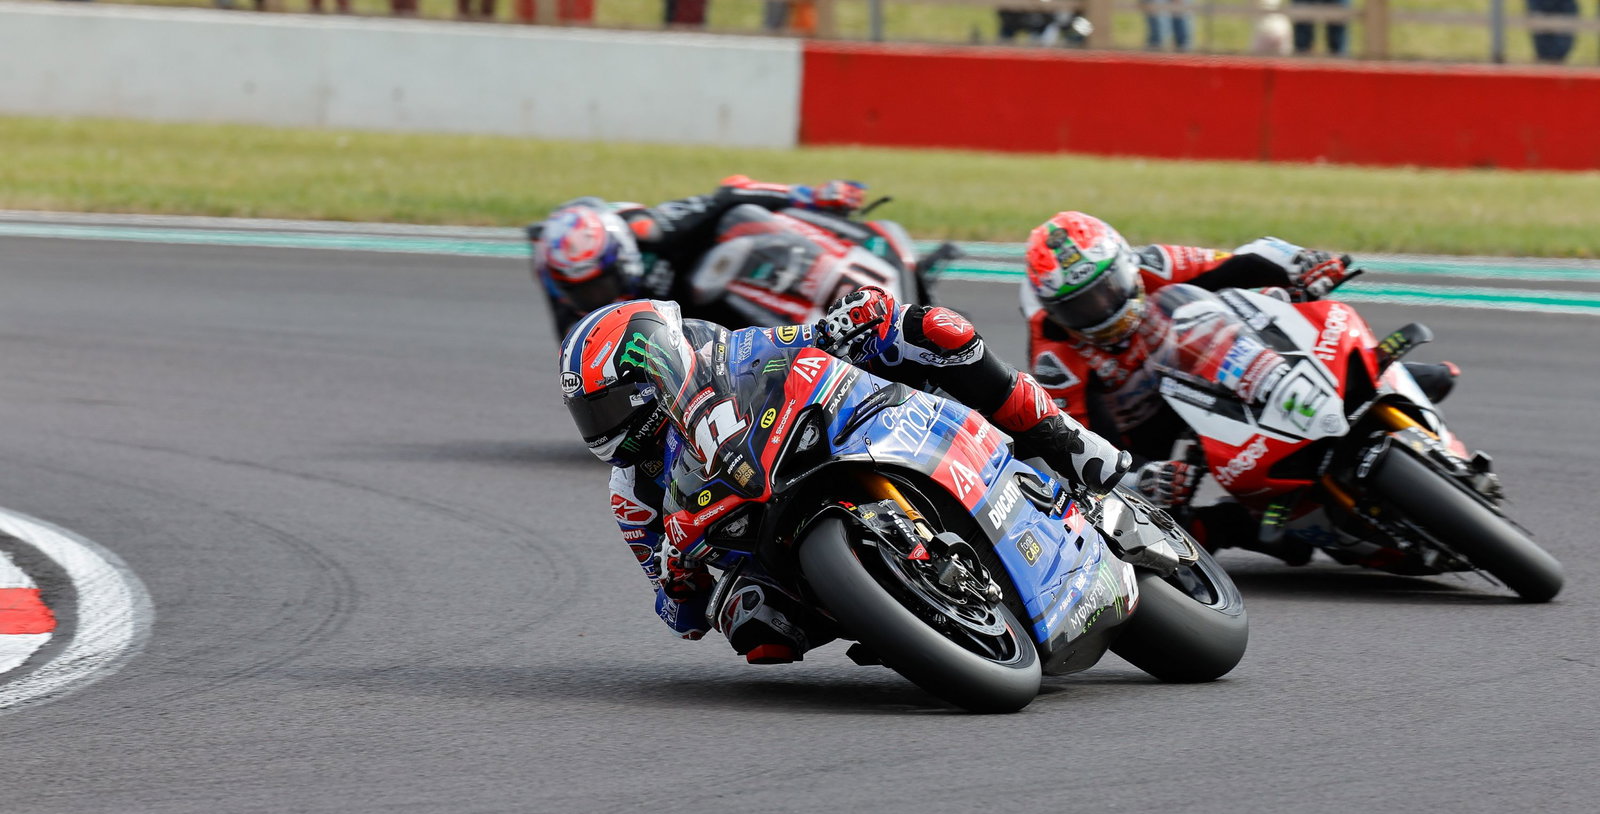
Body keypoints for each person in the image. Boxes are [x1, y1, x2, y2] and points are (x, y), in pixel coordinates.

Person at [559, 289, 1130, 663]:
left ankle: (1063, 436)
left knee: (934, 328)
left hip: (823, 442)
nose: (603, 429)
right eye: (590, 416)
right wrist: (674, 577)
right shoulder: (631, 492)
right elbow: (678, 617)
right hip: (761, 541)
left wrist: (845, 323)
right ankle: (898, 612)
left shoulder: (726, 353)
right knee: (755, 626)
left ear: (654, 372)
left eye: (608, 408)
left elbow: (802, 342)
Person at [1018, 211, 1458, 557]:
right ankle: (1235, 525)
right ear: (1055, 311)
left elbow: (1239, 263)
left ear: (1126, 266)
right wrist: (1136, 478)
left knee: (1264, 306)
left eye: (1108, 289)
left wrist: (1303, 264)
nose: (1102, 309)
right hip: (1140, 430)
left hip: (1202, 363)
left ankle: (1371, 380)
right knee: (1135, 532)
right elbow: (1069, 441)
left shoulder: (1155, 264)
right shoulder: (1054, 354)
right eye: (1081, 306)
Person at [533, 176, 867, 339]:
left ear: (624, 259)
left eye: (602, 285)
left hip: (722, 279)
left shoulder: (651, 230)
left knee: (744, 222)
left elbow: (731, 193)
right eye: (583, 292)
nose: (596, 299)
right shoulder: (575, 318)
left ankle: (847, 273)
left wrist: (811, 196)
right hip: (694, 336)